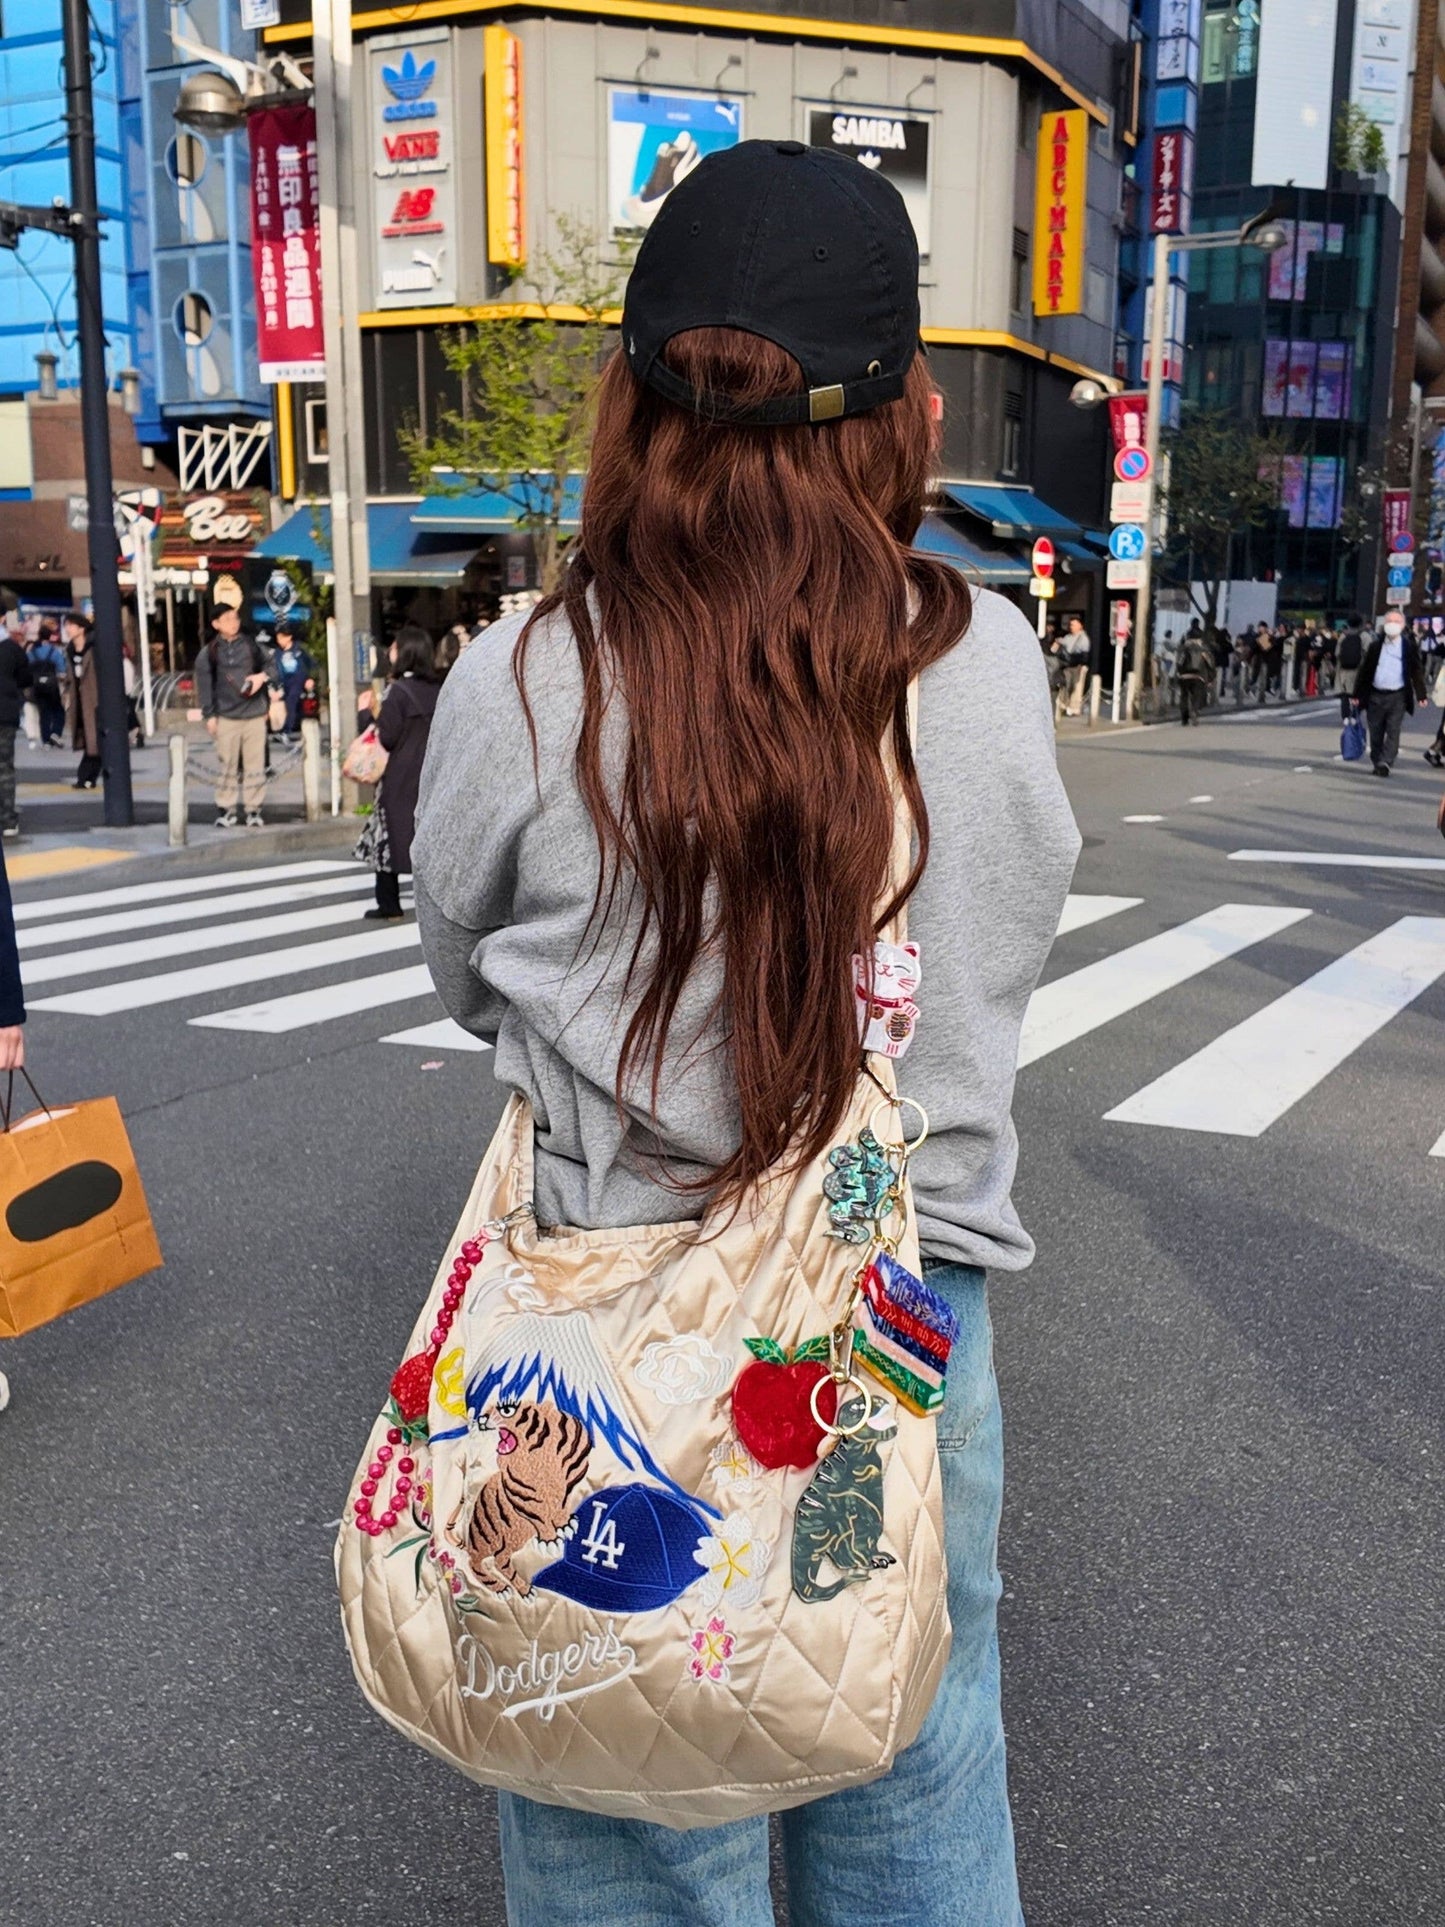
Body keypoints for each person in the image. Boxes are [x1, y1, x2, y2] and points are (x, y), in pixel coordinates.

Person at [410, 138, 1078, 1927]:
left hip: (600, 1334)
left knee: (619, 1790)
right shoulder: (990, 667)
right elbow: (999, 945)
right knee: (912, 1772)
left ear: (636, 402)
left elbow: (462, 966)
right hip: (900, 1325)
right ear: (908, 418)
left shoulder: (529, 679)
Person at [361, 624, 440, 921]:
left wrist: (365, 714)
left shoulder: (398, 692)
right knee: (429, 837)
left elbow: (388, 737)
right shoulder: (439, 688)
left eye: (394, 646)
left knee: (389, 838)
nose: (390, 651)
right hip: (432, 773)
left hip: (400, 776)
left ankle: (389, 904)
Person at [193, 600, 276, 829]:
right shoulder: (209, 652)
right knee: (226, 764)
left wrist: (261, 678)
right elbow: (205, 685)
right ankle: (226, 809)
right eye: (227, 619)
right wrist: (209, 715)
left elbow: (272, 666)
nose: (233, 623)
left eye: (235, 618)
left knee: (255, 765)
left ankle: (254, 809)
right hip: (226, 716)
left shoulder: (251, 646)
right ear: (216, 624)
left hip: (254, 715)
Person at [1355, 610, 1427, 777]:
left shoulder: (1408, 646)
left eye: (1396, 621)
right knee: (1375, 730)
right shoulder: (1376, 646)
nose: (1392, 625)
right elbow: (1365, 671)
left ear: (1402, 626)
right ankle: (1377, 760)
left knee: (1393, 729)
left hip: (1398, 695)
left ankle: (1386, 761)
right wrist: (1357, 695)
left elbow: (1416, 671)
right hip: (1375, 694)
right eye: (1389, 621)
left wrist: (1421, 695)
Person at [61, 610, 102, 790]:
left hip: (95, 701)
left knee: (94, 741)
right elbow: (70, 678)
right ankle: (87, 778)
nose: (67, 629)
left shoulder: (94, 649)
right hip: (78, 702)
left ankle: (85, 777)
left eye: (70, 625)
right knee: (87, 739)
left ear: (81, 628)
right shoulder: (69, 650)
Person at [0, 617, 31, 839]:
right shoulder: (12, 649)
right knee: (4, 768)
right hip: (5, 715)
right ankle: (7, 819)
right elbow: (25, 679)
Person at [274, 618, 315, 740]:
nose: (280, 640)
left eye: (282, 637)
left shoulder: (299, 649)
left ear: (289, 637)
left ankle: (286, 730)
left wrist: (310, 678)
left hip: (298, 680)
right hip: (284, 681)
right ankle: (289, 728)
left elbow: (311, 664)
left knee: (291, 703)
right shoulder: (277, 653)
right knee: (289, 705)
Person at [28, 622, 67, 748]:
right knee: (58, 710)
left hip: (37, 687)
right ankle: (55, 732)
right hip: (52, 686)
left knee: (44, 713)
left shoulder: (32, 653)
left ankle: (46, 740)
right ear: (50, 637)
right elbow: (62, 669)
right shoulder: (54, 652)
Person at [1175, 624, 1214, 726]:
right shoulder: (1203, 650)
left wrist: (1179, 674)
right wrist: (1210, 678)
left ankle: (1184, 718)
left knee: (1184, 696)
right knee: (1196, 696)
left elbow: (1179, 663)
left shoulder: (1183, 648)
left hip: (1184, 677)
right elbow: (1210, 665)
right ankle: (1194, 712)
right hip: (1198, 677)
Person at [1337, 613, 1366, 722]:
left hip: (1344, 670)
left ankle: (1345, 716)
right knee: (1358, 694)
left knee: (1345, 695)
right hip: (1359, 670)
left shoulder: (1343, 637)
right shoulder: (1364, 636)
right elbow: (1369, 652)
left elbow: (1337, 653)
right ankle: (1355, 715)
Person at [1063, 613, 1091, 716]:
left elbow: (1085, 653)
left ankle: (1074, 708)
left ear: (1080, 626)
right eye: (1071, 625)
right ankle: (1065, 706)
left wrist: (1083, 664)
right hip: (1068, 665)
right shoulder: (1068, 637)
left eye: (1074, 624)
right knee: (1067, 685)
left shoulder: (1083, 638)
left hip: (1079, 665)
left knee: (1077, 687)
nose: (1072, 627)